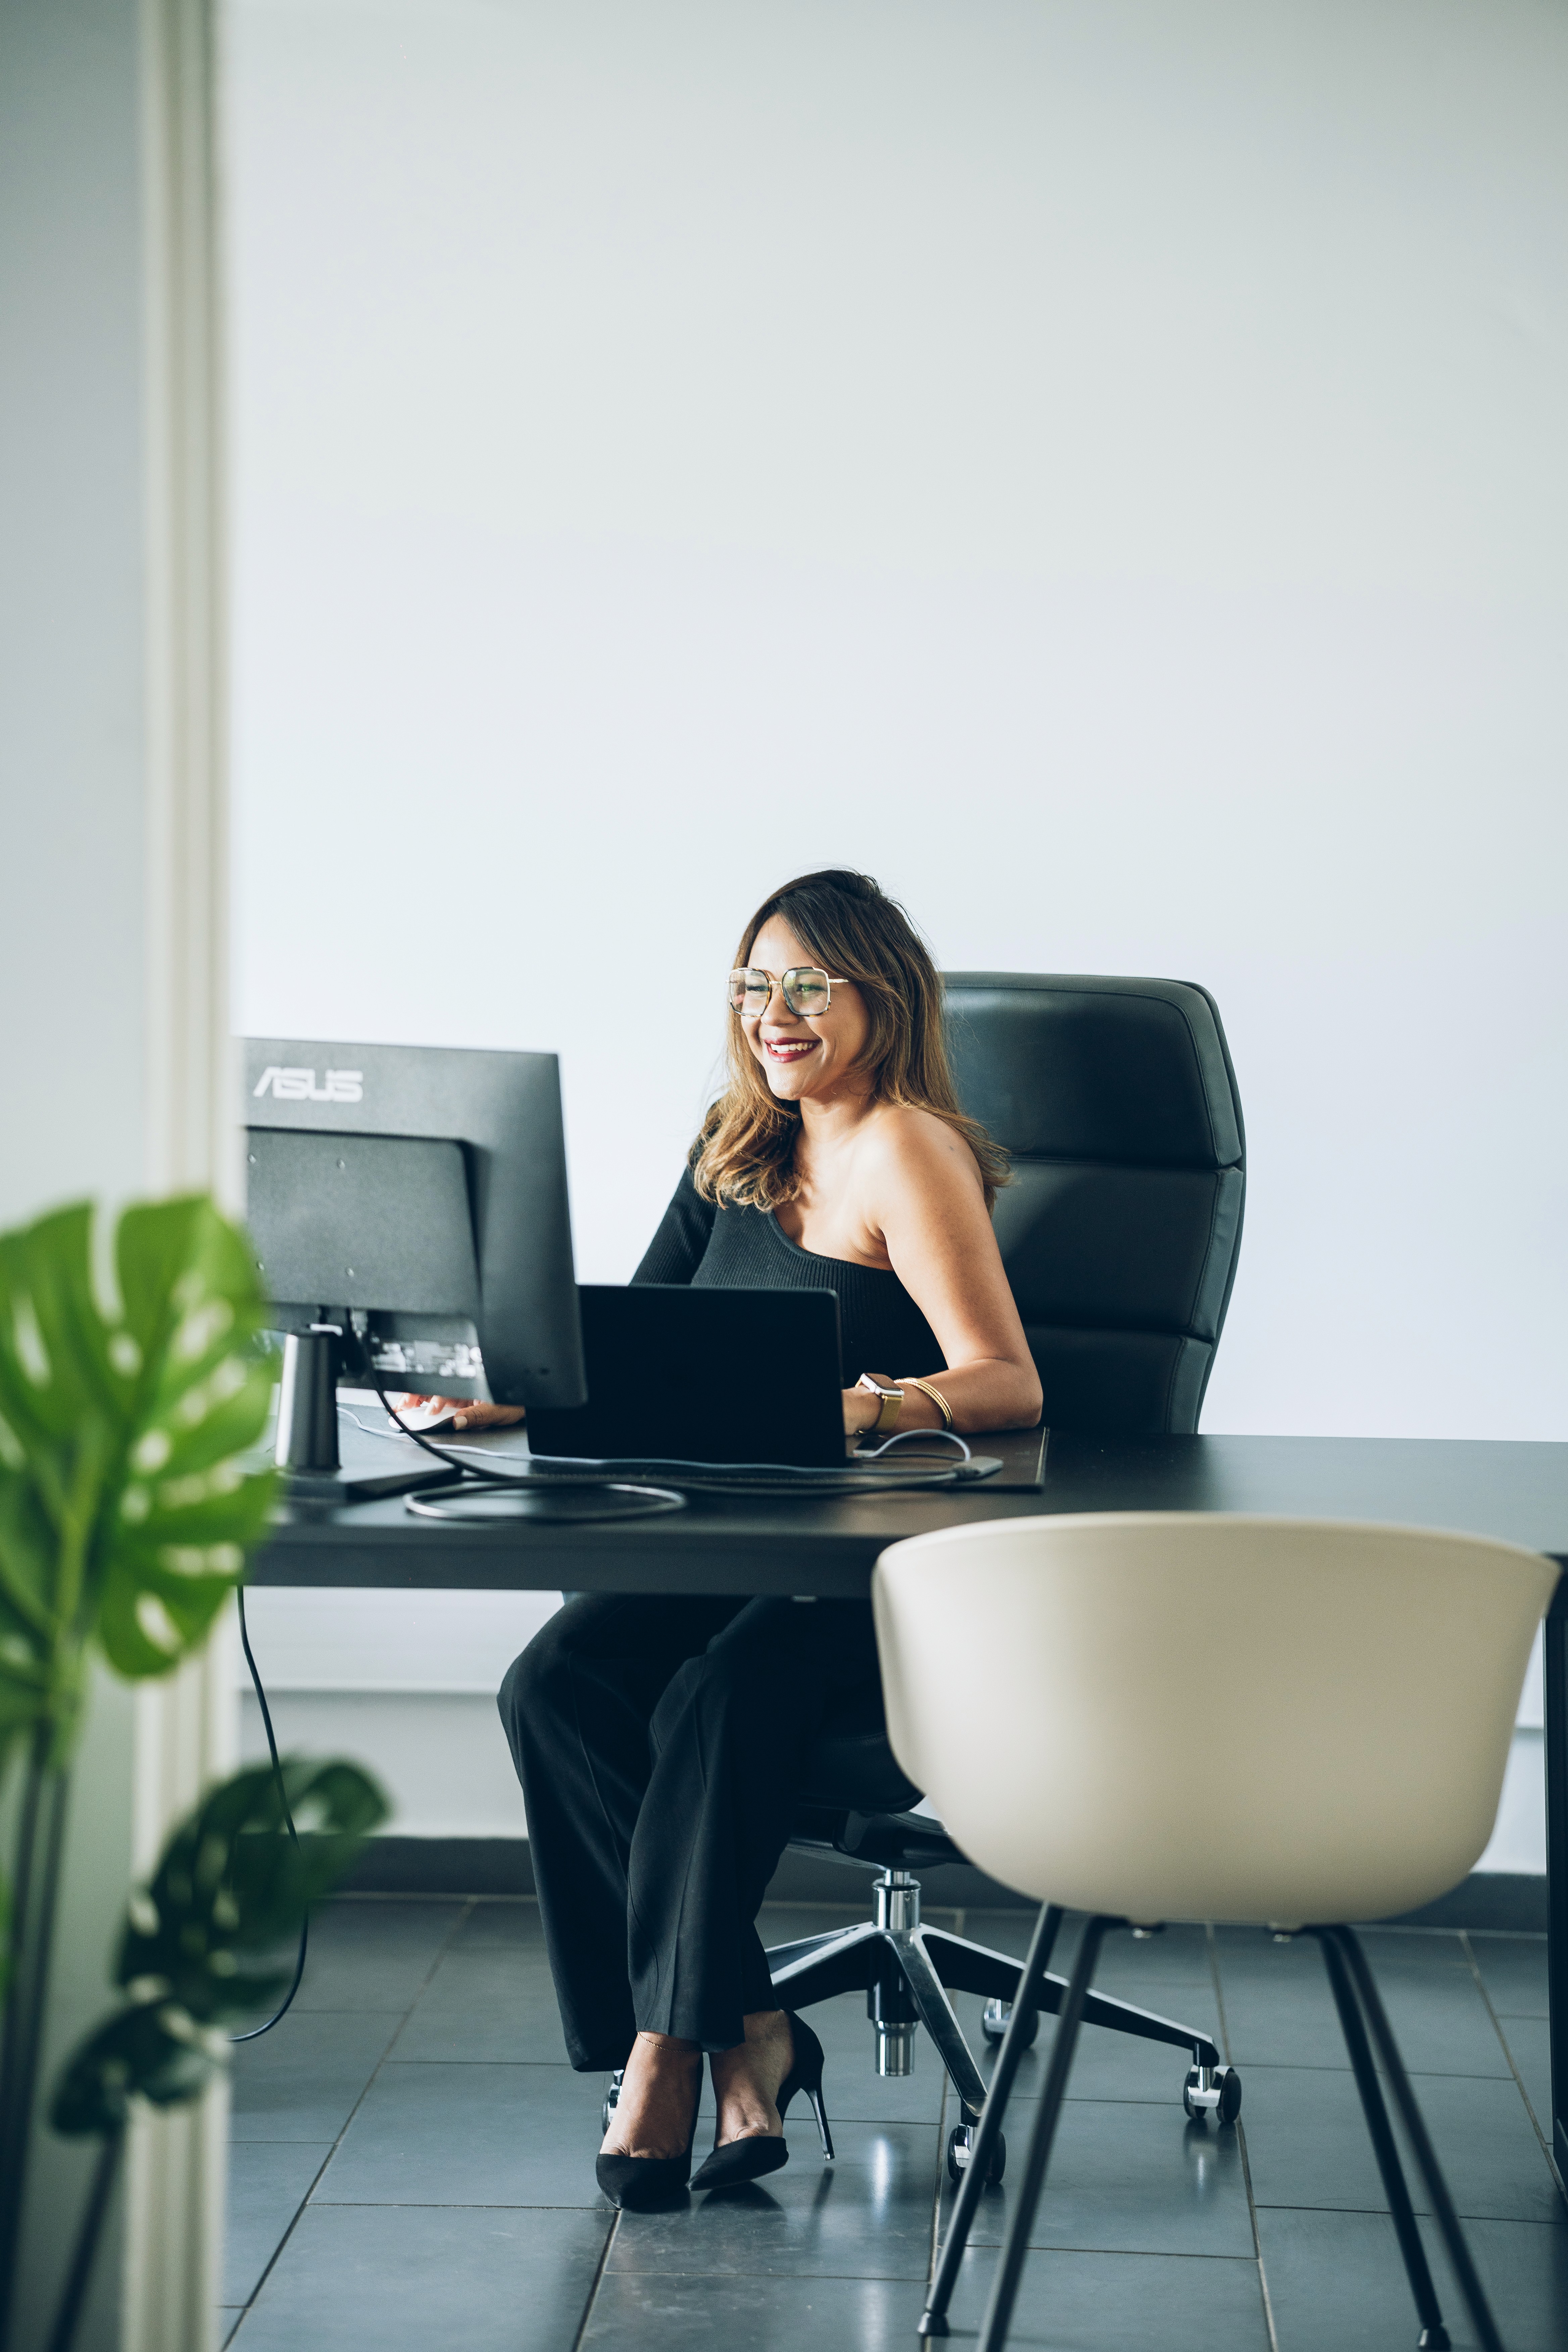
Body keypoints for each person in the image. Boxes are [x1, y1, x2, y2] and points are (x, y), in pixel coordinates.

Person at [441, 869, 1041, 2206]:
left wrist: (864, 1404)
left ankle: (669, 2048)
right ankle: (745, 2023)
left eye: (808, 983)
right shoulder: (734, 1140)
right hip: (722, 1555)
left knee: (714, 1702)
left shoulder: (907, 1149)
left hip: (860, 1585)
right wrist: (510, 1384)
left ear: (878, 997)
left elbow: (1007, 1383)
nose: (775, 1012)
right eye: (754, 984)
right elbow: (633, 1339)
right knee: (555, 1688)